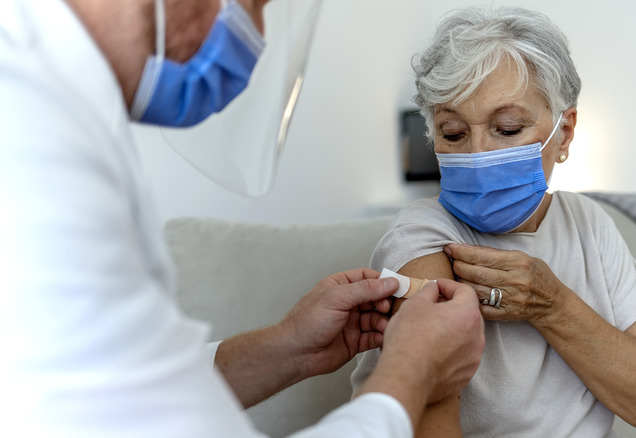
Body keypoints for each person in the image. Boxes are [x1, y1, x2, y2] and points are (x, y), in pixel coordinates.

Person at [0, 1, 485, 437]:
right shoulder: (31, 137)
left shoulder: (57, 106)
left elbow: (116, 386)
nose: (256, 33)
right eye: (254, 4)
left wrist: (290, 348)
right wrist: (411, 373)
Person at [351, 6, 636, 437]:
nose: (477, 154)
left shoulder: (588, 223)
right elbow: (429, 420)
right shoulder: (422, 237)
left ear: (563, 134)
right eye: (453, 132)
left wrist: (553, 305)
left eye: (507, 129)